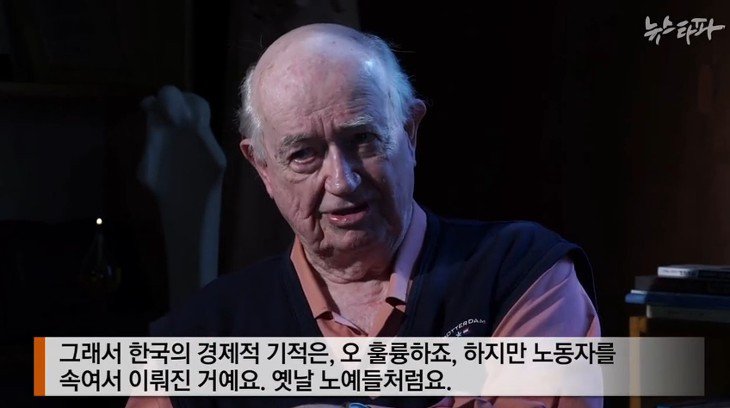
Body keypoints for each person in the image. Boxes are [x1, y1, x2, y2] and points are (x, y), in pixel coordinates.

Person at [127, 23, 600, 408]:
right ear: (263, 168)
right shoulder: (203, 332)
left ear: (410, 132)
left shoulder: (521, 274)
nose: (342, 180)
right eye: (304, 154)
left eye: (363, 140)